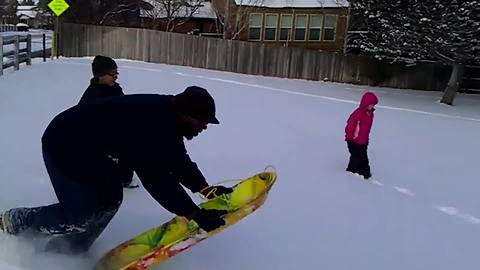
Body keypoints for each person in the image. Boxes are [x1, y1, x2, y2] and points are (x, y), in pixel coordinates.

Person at [0, 86, 232, 254]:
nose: (204, 127)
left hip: (92, 150)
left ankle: (71, 248)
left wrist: (205, 188)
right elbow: (156, 178)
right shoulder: (151, 125)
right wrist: (193, 214)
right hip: (64, 144)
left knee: (110, 198)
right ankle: (19, 219)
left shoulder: (168, 118)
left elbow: (177, 160)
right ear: (185, 114)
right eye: (202, 122)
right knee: (79, 213)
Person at [79, 55, 137, 189]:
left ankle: (123, 175)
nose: (116, 76)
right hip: (96, 140)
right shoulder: (93, 97)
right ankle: (121, 179)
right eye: (112, 73)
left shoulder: (114, 89)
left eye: (117, 72)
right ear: (100, 75)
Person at [345, 92, 378, 179]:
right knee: (361, 158)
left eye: (373, 105)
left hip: (363, 141)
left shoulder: (370, 115)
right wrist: (349, 139)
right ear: (365, 103)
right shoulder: (358, 114)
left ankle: (352, 170)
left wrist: (366, 139)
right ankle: (365, 174)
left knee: (357, 157)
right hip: (354, 141)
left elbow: (367, 129)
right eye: (371, 104)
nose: (372, 106)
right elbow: (350, 126)